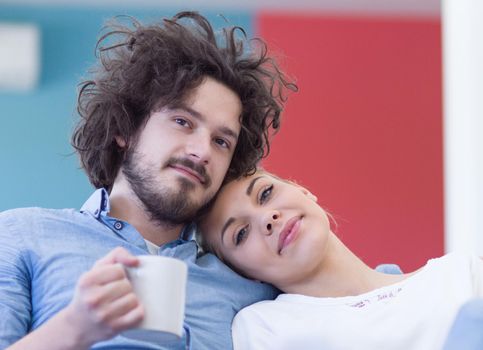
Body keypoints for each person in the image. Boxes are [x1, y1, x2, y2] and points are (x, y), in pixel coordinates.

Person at [0, 12, 296, 350]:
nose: (202, 151)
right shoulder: (23, 234)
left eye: (221, 141)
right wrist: (74, 328)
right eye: (183, 121)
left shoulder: (251, 285)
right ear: (126, 129)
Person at [198, 170, 483, 350]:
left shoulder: (462, 273)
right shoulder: (261, 329)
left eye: (266, 193)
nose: (266, 218)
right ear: (245, 274)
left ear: (303, 191)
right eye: (241, 234)